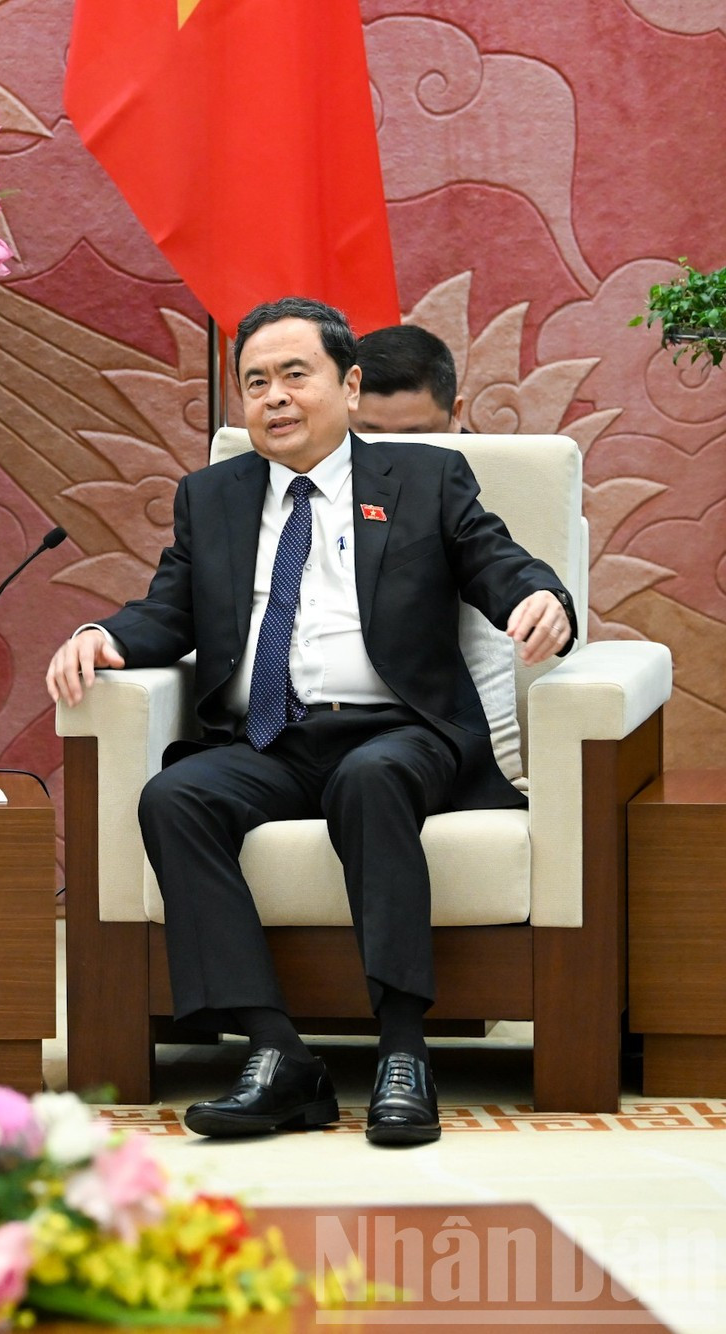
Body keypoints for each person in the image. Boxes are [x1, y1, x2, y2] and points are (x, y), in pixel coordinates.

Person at [45, 297, 577, 1148]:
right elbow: (168, 611)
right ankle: (277, 1051)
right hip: (270, 739)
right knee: (175, 797)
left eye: (296, 375)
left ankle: (405, 1051)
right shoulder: (212, 496)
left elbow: (497, 563)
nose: (275, 397)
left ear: (350, 384)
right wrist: (103, 634)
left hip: (399, 732)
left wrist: (543, 598)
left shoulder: (426, 480)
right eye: (255, 382)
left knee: (370, 781)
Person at [353, 324, 464, 435]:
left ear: (454, 414)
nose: (392, 451)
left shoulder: (479, 452)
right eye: (371, 436)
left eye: (411, 438)